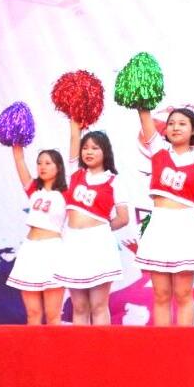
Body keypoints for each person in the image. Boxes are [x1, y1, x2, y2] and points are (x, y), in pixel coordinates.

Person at [135, 107, 194, 326]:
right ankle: (163, 344)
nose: (175, 127)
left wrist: (191, 213)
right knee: (161, 294)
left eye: (182, 123)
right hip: (159, 226)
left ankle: (184, 343)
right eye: (171, 123)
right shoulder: (159, 151)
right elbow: (144, 117)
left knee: (183, 294)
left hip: (185, 229)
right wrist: (141, 102)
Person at [54, 121, 129, 325]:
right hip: (73, 243)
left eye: (95, 148)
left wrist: (100, 229)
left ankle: (101, 346)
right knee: (79, 307)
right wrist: (74, 119)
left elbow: (123, 218)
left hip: (99, 245)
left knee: (98, 306)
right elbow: (73, 138)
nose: (89, 152)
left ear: (105, 152)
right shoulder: (75, 174)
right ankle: (81, 346)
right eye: (85, 147)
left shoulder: (114, 181)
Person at [5, 145, 69, 324]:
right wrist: (16, 144)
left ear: (59, 167)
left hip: (52, 250)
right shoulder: (33, 189)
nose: (42, 167)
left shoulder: (67, 193)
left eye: (48, 163)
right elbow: (19, 160)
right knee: (32, 313)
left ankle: (54, 344)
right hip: (29, 250)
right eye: (39, 163)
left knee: (53, 314)